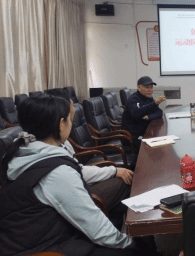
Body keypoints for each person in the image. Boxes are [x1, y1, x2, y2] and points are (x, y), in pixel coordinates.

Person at [0, 94, 176, 256]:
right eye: (70, 119)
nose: (72, 123)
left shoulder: (26, 151)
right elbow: (97, 229)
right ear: (61, 124)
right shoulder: (56, 173)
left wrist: (134, 244)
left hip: (43, 247)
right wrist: (131, 244)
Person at [45, 88, 133, 229]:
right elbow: (77, 172)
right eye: (71, 107)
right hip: (71, 197)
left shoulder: (57, 140)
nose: (74, 111)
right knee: (126, 181)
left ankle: (110, 227)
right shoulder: (52, 146)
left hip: (74, 187)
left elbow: (76, 169)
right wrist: (113, 171)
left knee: (120, 183)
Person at [121, 76, 166, 153]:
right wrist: (154, 103)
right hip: (132, 135)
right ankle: (136, 161)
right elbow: (136, 113)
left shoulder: (148, 98)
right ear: (139, 87)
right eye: (147, 87)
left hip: (145, 131)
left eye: (151, 87)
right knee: (151, 148)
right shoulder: (133, 99)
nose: (150, 90)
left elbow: (159, 112)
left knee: (162, 144)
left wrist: (149, 117)